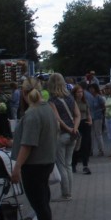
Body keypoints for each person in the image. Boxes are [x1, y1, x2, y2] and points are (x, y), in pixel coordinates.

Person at [10, 76, 59, 220]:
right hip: (46, 162)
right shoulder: (47, 109)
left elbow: (28, 144)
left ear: (23, 93)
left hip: (34, 165)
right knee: (43, 203)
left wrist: (17, 167)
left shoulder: (33, 113)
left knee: (40, 205)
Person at [47, 73, 78, 202]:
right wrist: (74, 128)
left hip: (61, 135)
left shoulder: (52, 100)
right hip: (73, 135)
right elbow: (77, 115)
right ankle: (69, 192)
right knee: (68, 164)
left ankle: (66, 193)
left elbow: (57, 119)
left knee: (61, 165)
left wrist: (67, 128)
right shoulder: (70, 97)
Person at [70, 83, 92, 175]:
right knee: (76, 145)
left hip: (85, 123)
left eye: (81, 92)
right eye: (78, 92)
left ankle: (85, 165)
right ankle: (73, 164)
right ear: (74, 93)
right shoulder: (72, 102)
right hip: (76, 124)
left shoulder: (85, 102)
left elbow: (88, 112)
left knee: (85, 145)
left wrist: (90, 121)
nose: (80, 94)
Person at [86, 83, 106, 157]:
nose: (91, 90)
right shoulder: (89, 97)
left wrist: (101, 112)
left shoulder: (99, 97)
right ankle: (90, 150)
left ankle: (101, 150)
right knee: (91, 134)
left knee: (98, 133)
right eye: (90, 88)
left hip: (98, 116)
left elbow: (104, 107)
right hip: (90, 117)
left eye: (92, 88)